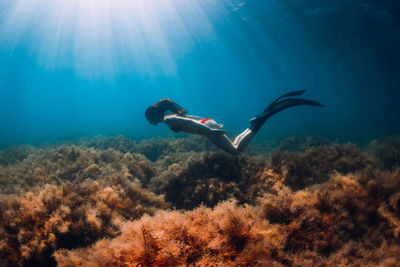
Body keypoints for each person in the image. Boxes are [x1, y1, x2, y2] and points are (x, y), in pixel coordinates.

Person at [145, 90, 323, 155]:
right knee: (235, 144)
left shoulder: (168, 119)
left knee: (235, 151)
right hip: (208, 122)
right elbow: (193, 118)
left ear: (154, 116)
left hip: (207, 129)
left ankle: (259, 122)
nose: (150, 123)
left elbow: (195, 125)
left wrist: (210, 131)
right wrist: (210, 123)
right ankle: (253, 123)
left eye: (149, 120)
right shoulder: (171, 112)